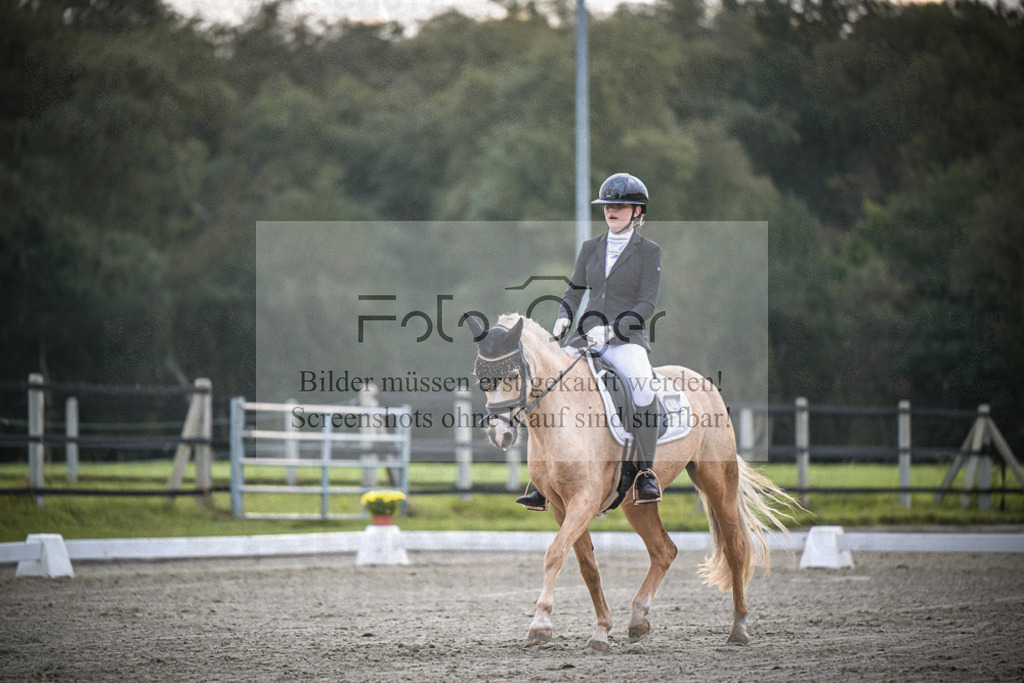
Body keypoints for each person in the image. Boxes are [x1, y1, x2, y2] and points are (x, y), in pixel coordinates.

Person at [517, 172, 663, 509]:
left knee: (643, 387)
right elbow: (575, 290)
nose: (611, 211)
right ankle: (542, 478)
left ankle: (645, 473)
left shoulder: (649, 252)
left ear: (637, 212)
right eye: (607, 206)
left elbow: (647, 305)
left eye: (619, 206)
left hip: (626, 339)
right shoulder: (591, 247)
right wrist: (565, 316)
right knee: (546, 382)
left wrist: (613, 330)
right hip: (586, 335)